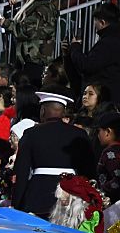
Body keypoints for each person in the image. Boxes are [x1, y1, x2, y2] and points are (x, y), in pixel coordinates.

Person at [12, 87, 96, 218]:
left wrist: (17, 204)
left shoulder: (31, 133)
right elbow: (89, 170)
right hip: (71, 196)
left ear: (43, 110)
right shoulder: (79, 134)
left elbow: (21, 171)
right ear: (63, 112)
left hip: (38, 195)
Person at [69, 3, 120, 99]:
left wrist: (75, 47)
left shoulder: (108, 43)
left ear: (102, 22)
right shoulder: (114, 39)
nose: (94, 25)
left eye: (95, 21)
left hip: (106, 97)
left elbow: (87, 66)